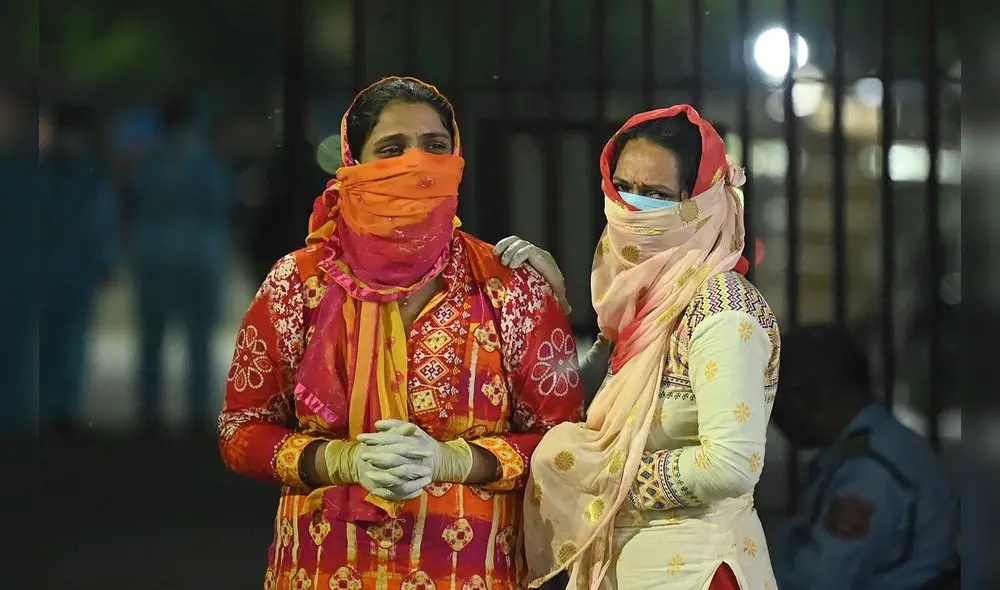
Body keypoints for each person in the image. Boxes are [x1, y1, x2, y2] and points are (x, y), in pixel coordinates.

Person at [218, 77, 585, 590]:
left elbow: (566, 443)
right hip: (321, 568)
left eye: (435, 146)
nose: (417, 163)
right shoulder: (299, 284)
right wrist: (339, 459)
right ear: (353, 166)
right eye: (392, 149)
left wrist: (456, 461)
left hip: (471, 572)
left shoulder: (509, 287)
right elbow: (241, 430)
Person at [511, 106, 781, 590]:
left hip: (697, 571)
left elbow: (733, 465)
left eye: (655, 195)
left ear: (698, 203)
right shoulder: (639, 309)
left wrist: (605, 477)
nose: (633, 207)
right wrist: (546, 303)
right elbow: (575, 411)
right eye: (624, 187)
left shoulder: (721, 306)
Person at [769, 324, 959, 590]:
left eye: (776, 397)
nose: (772, 415)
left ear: (808, 394)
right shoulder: (871, 446)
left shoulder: (869, 471)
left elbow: (817, 582)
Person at [132, 96, 230, 433]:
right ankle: (196, 412)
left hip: (155, 253)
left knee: (153, 337)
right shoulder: (205, 161)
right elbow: (220, 201)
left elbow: (138, 200)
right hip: (198, 254)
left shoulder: (152, 160)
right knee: (198, 337)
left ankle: (149, 411)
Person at [39, 102, 119, 438]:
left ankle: (59, 408)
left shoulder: (80, 174)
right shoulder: (85, 174)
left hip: (65, 267)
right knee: (58, 340)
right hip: (59, 267)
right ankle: (55, 408)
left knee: (64, 340)